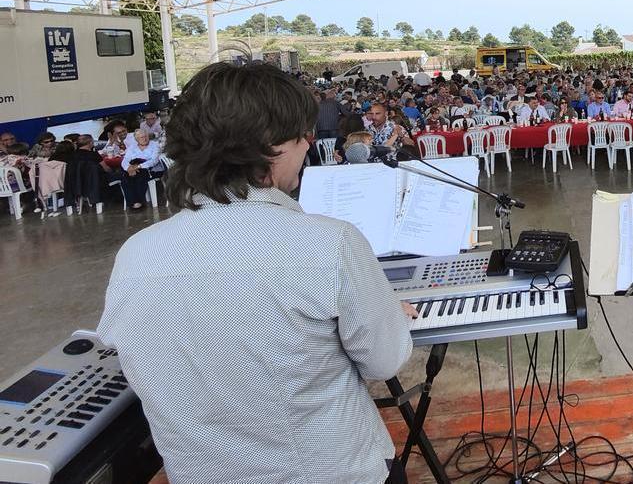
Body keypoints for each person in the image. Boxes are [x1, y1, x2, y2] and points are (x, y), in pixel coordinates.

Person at [97, 62, 416, 484]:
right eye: (302, 134)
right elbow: (384, 360)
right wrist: (388, 313)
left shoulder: (135, 254)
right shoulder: (329, 244)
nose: (308, 145)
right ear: (269, 145)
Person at [120, 129, 160, 210]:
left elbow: (154, 161)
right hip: (133, 166)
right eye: (141, 137)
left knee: (140, 175)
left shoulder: (154, 145)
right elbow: (125, 160)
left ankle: (139, 202)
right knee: (125, 177)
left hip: (149, 168)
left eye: (146, 137)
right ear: (136, 139)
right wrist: (128, 168)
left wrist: (139, 166)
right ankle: (132, 202)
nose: (144, 139)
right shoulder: (132, 147)